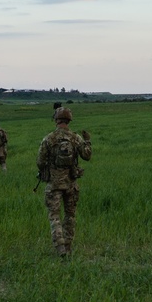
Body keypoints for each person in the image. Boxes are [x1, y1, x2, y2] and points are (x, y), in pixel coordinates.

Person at [37, 107, 92, 258]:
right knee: (70, 216)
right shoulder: (76, 138)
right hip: (71, 184)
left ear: (56, 120)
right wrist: (88, 141)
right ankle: (68, 247)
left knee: (54, 215)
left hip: (54, 184)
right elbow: (87, 156)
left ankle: (59, 246)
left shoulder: (49, 138)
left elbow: (40, 162)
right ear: (69, 120)